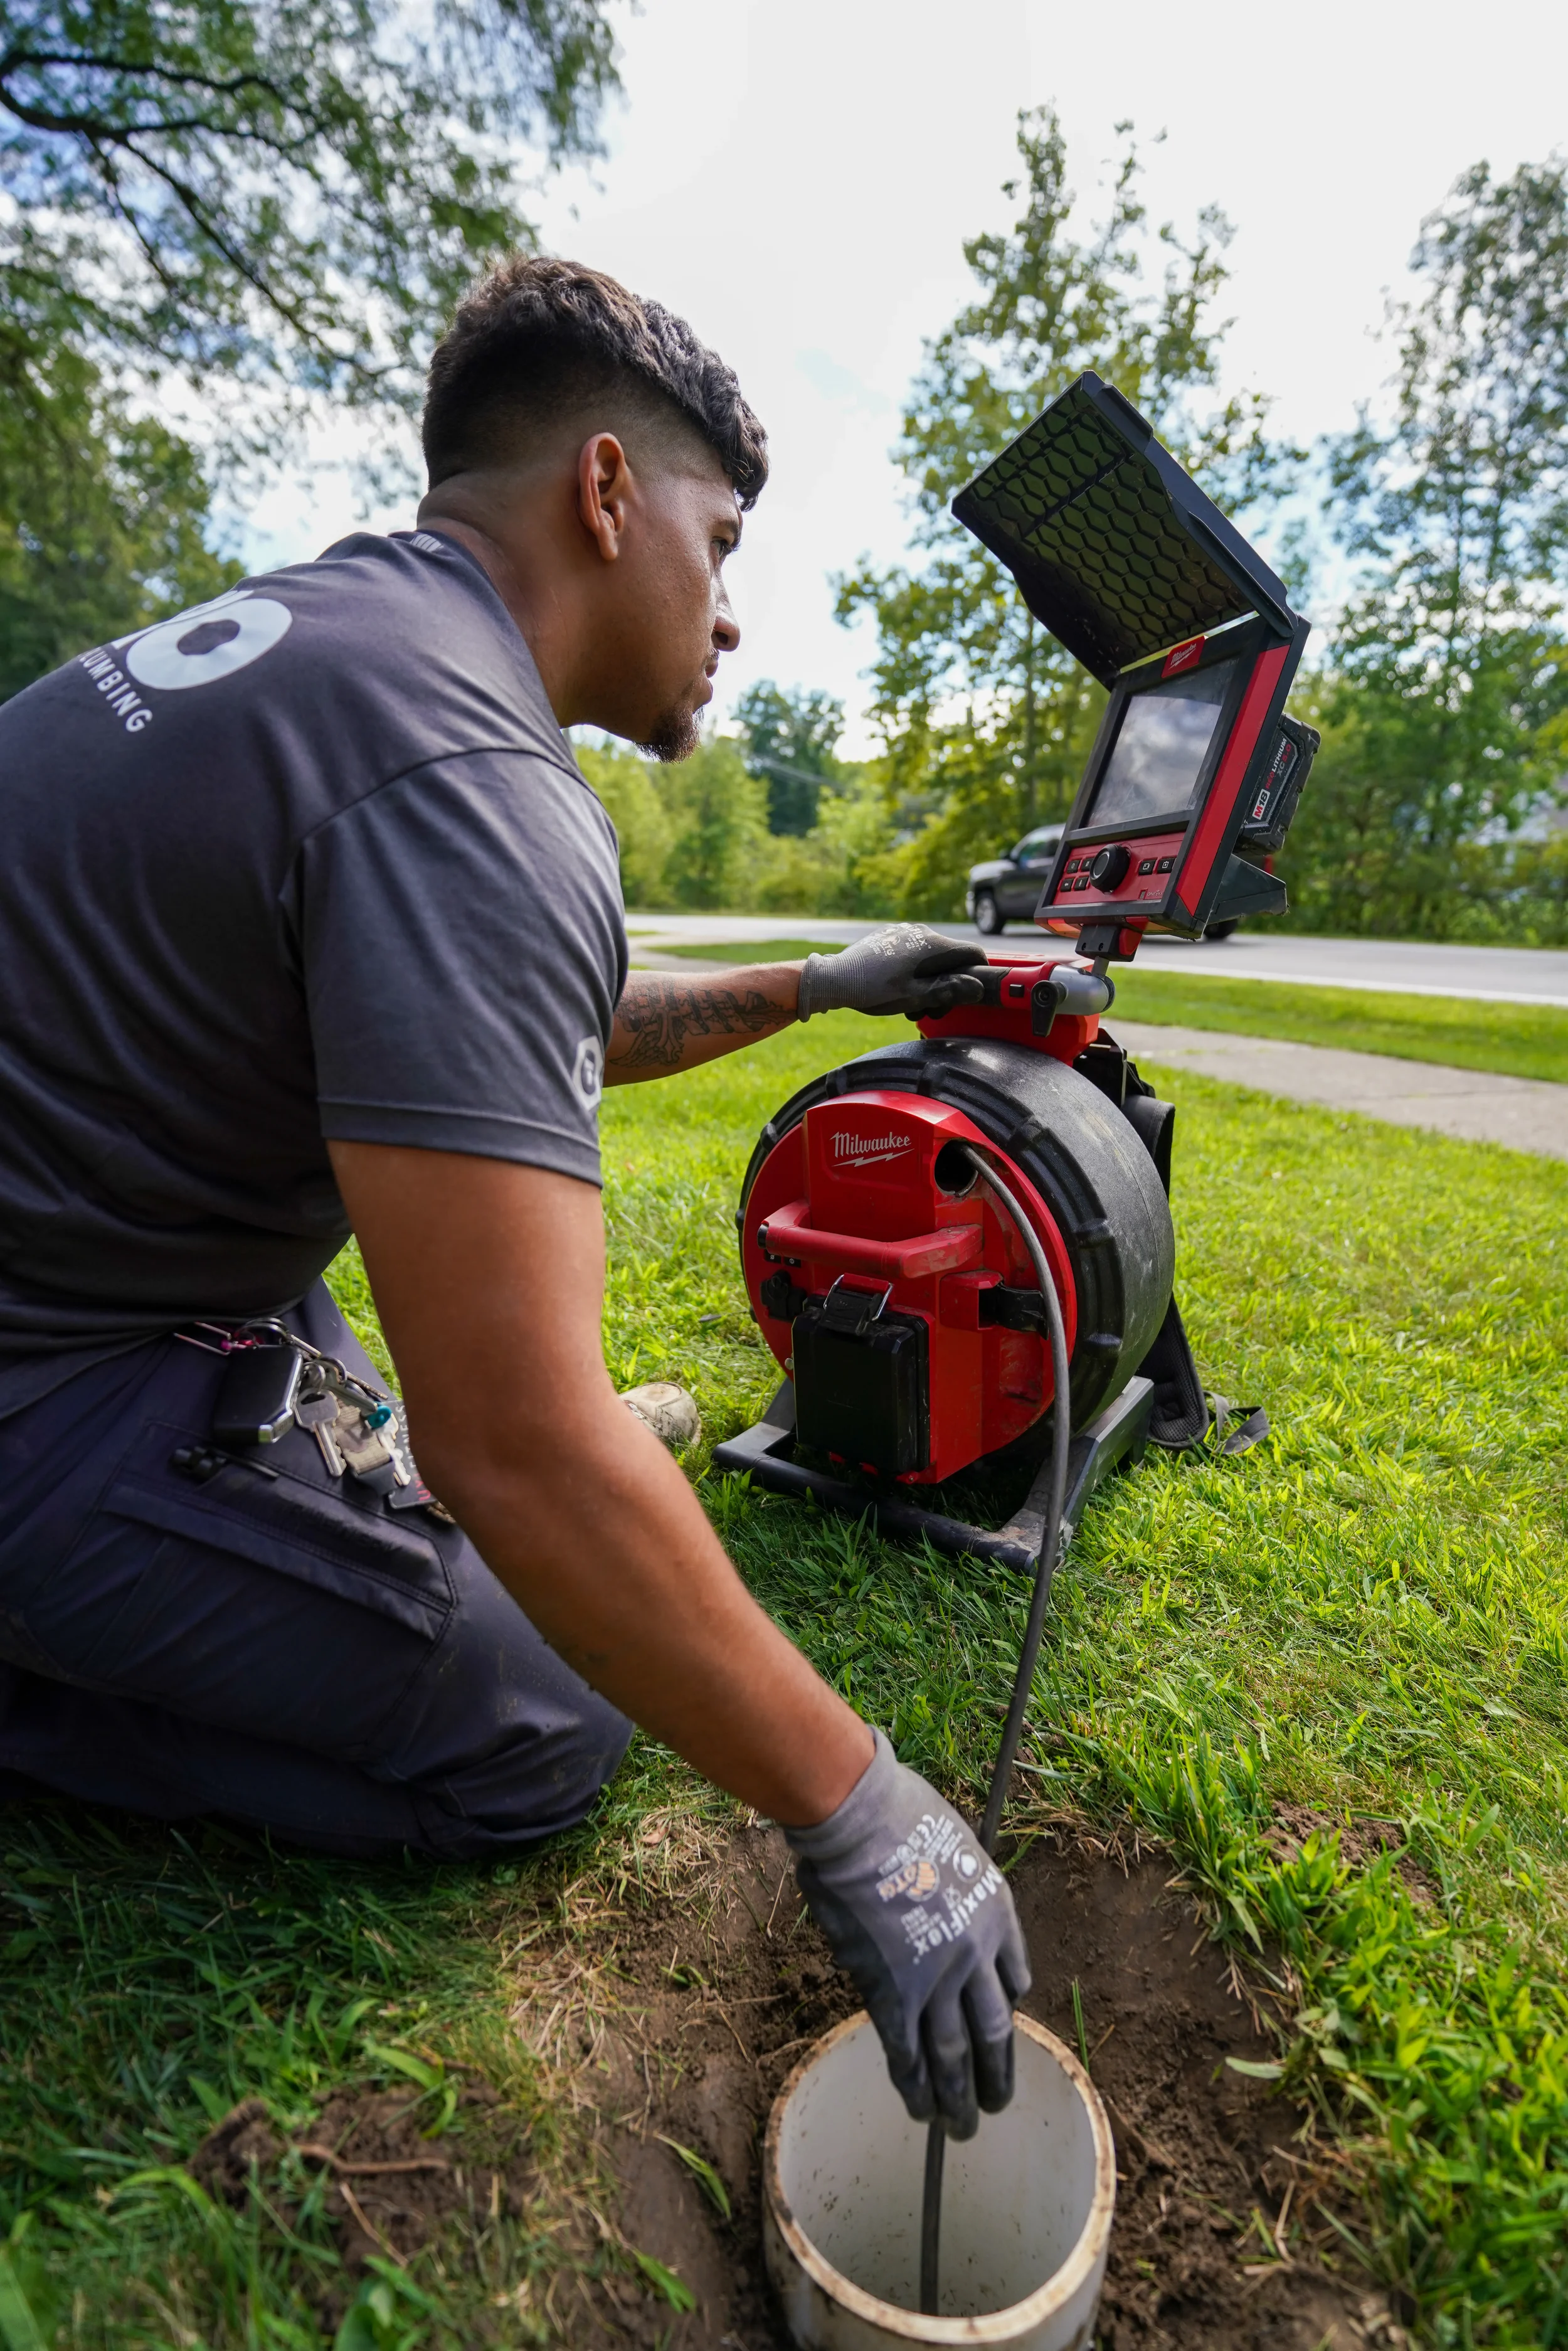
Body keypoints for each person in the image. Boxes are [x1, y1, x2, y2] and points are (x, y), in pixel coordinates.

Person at [0, 257, 1027, 2139]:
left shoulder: (343, 644)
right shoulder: (472, 770)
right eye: (722, 543)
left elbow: (466, 1024)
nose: (729, 615)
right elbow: (523, 1447)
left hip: (85, 1261)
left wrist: (816, 983)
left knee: (464, 1474)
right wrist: (859, 1803)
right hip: (50, 1371)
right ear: (610, 491)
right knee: (546, 1714)